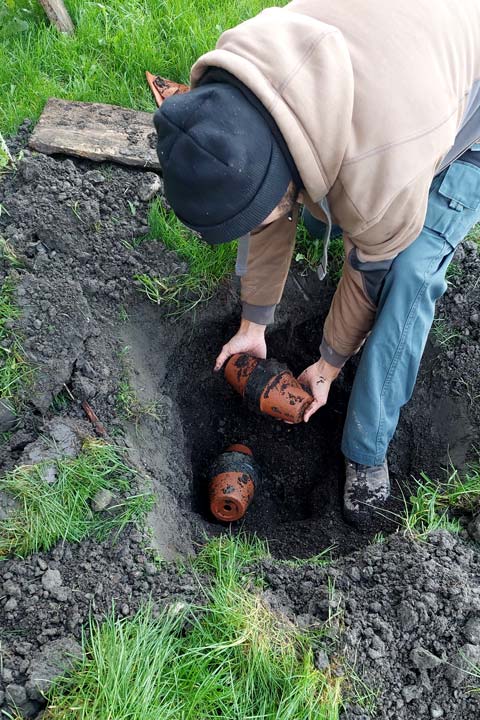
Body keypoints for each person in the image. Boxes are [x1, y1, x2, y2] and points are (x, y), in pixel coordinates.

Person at [154, 0, 480, 525]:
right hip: (392, 56)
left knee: (408, 274)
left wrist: (328, 363)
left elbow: (369, 271)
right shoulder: (241, 77)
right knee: (314, 211)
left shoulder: (382, 167)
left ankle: (367, 452)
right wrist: (254, 319)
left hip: (460, 110)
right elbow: (267, 190)